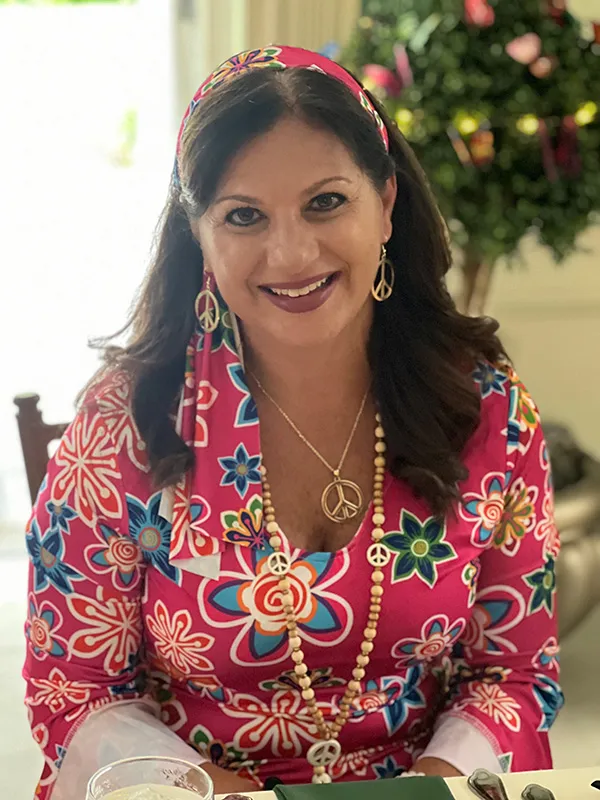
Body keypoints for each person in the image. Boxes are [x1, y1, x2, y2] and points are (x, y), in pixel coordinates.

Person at [24, 45, 563, 799]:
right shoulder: (124, 424)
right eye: (244, 215)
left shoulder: (488, 410)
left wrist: (424, 792)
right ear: (198, 234)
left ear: (386, 202)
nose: (292, 253)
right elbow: (76, 691)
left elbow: (514, 673)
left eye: (326, 202)